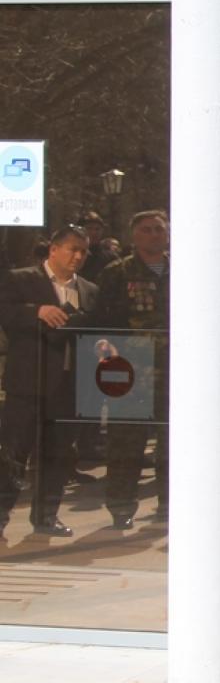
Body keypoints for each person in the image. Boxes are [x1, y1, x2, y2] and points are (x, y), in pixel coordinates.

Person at [0, 226, 98, 535]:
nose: (78, 256)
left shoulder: (90, 290)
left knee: (57, 454)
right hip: (27, 384)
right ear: (53, 249)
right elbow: (5, 312)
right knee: (14, 453)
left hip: (68, 385)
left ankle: (46, 517)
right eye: (72, 249)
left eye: (84, 251)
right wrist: (36, 312)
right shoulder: (22, 279)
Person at [95, 209, 170, 526]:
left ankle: (171, 504)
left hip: (175, 371)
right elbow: (103, 322)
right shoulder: (116, 272)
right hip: (132, 372)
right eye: (147, 229)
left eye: (159, 229)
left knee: (173, 441)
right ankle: (121, 506)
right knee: (126, 442)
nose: (154, 234)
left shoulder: (186, 270)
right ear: (134, 235)